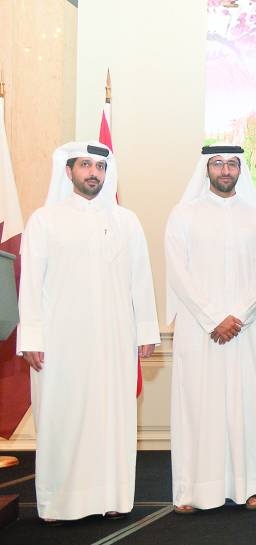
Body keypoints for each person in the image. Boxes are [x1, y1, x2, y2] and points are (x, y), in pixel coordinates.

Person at [17, 141, 160, 523]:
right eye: (84, 165)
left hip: (115, 340)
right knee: (62, 417)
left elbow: (140, 281)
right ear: (68, 172)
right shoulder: (44, 219)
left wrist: (145, 330)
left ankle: (111, 497)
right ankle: (58, 503)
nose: (93, 172)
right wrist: (31, 338)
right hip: (61, 342)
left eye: (99, 166)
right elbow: (30, 285)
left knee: (112, 418)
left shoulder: (126, 221)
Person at [165, 145, 256, 514]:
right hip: (201, 331)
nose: (225, 170)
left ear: (240, 170)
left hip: (244, 330)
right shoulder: (184, 215)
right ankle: (195, 490)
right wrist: (213, 317)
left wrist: (238, 315)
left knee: (246, 405)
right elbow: (178, 273)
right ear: (206, 169)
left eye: (232, 164)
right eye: (218, 163)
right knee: (199, 406)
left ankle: (253, 485)